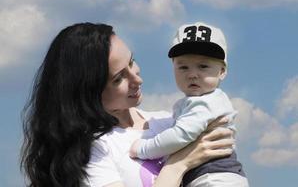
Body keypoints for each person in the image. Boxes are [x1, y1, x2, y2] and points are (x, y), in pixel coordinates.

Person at [20, 22, 236, 187]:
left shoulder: (167, 121)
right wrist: (179, 164)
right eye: (118, 78)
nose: (137, 79)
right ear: (88, 91)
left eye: (132, 61)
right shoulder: (91, 150)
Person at [130, 21, 249, 186]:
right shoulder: (210, 99)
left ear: (222, 71)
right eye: (183, 67)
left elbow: (180, 135)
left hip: (213, 178)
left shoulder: (204, 103)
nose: (193, 74)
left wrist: (144, 149)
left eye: (203, 66)